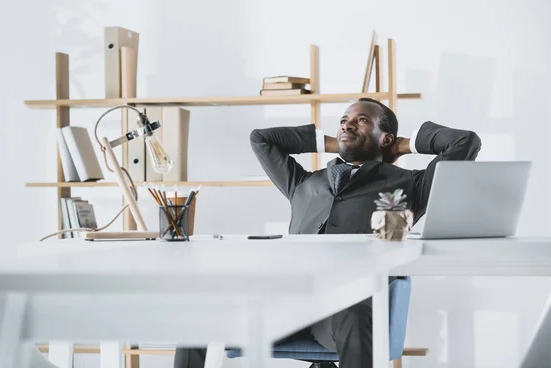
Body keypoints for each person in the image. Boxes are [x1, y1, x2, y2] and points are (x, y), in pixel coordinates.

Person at [174, 98, 481, 368]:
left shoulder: (409, 184)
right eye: (343, 122)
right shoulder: (301, 182)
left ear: (386, 138)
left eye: (361, 120)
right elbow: (261, 139)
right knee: (202, 309)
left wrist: (402, 145)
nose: (347, 126)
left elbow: (465, 142)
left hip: (344, 309)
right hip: (284, 306)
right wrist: (338, 142)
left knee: (355, 311)